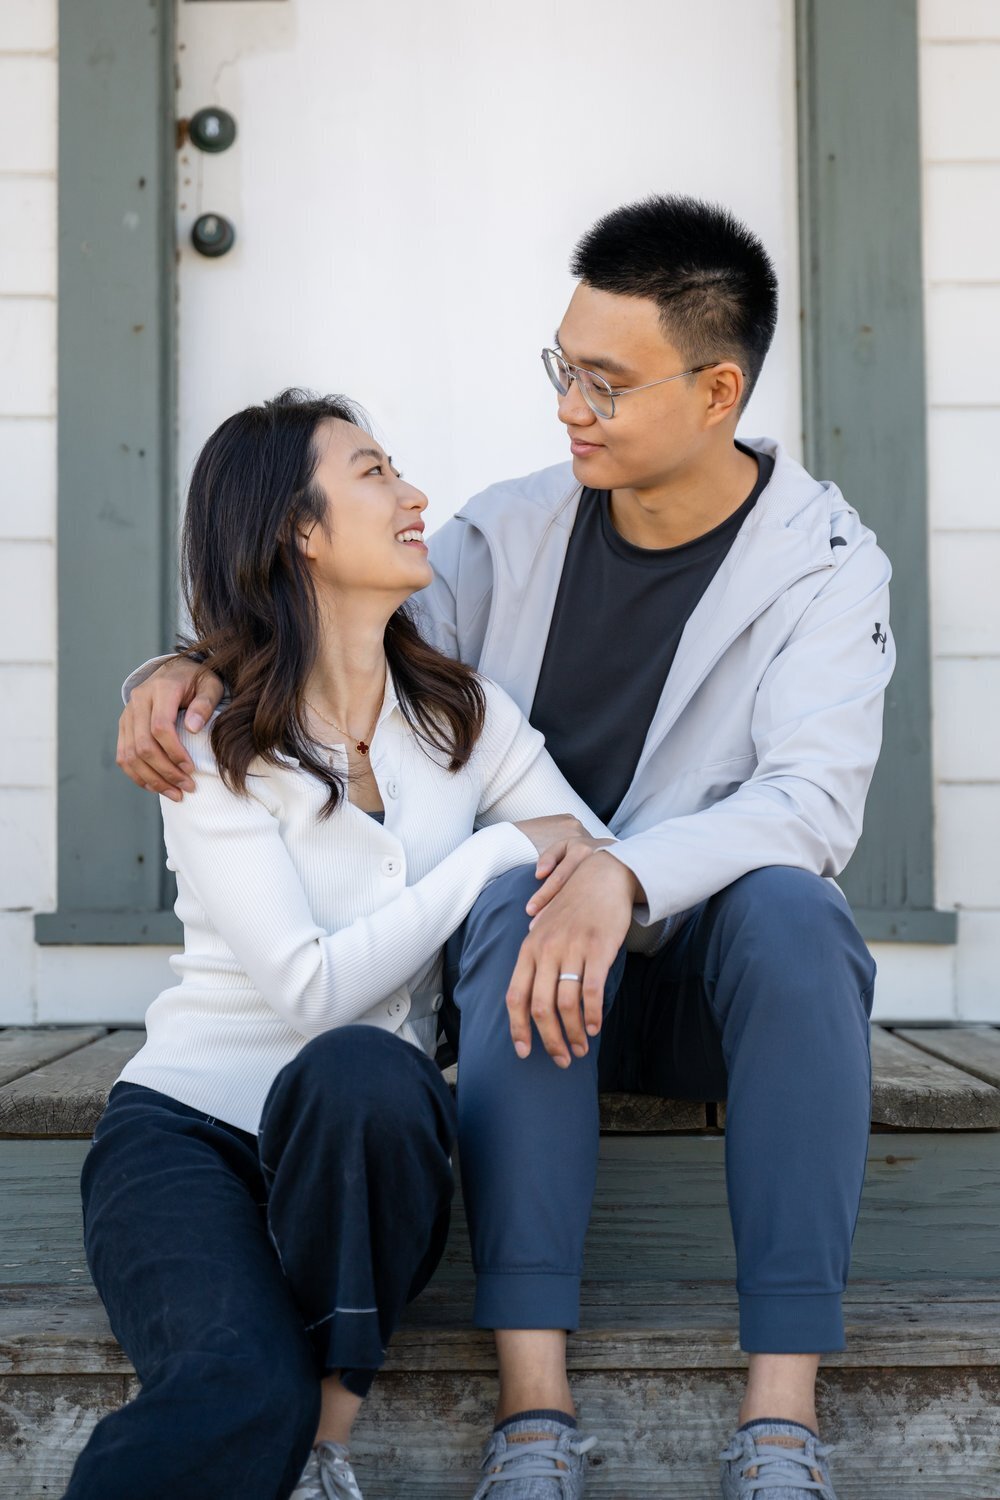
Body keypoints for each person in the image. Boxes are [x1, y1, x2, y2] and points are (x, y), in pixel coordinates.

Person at [117, 195, 893, 1500]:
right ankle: (534, 1416)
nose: (568, 406)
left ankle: (781, 1419)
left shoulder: (822, 563)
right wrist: (178, 667)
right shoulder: (508, 533)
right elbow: (334, 631)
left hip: (705, 976)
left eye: (605, 382)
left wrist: (623, 875)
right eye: (561, 368)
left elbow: (810, 804)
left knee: (798, 913)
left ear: (716, 391)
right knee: (512, 899)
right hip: (523, 982)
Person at [72, 389, 622, 1500]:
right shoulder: (212, 741)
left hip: (365, 1143)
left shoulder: (463, 716)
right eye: (375, 473)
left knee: (369, 1074)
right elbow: (308, 989)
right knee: (234, 1382)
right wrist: (489, 854)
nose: (414, 494)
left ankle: (328, 1435)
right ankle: (304, 1437)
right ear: (300, 531)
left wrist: (542, 851)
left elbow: (591, 858)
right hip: (187, 1137)